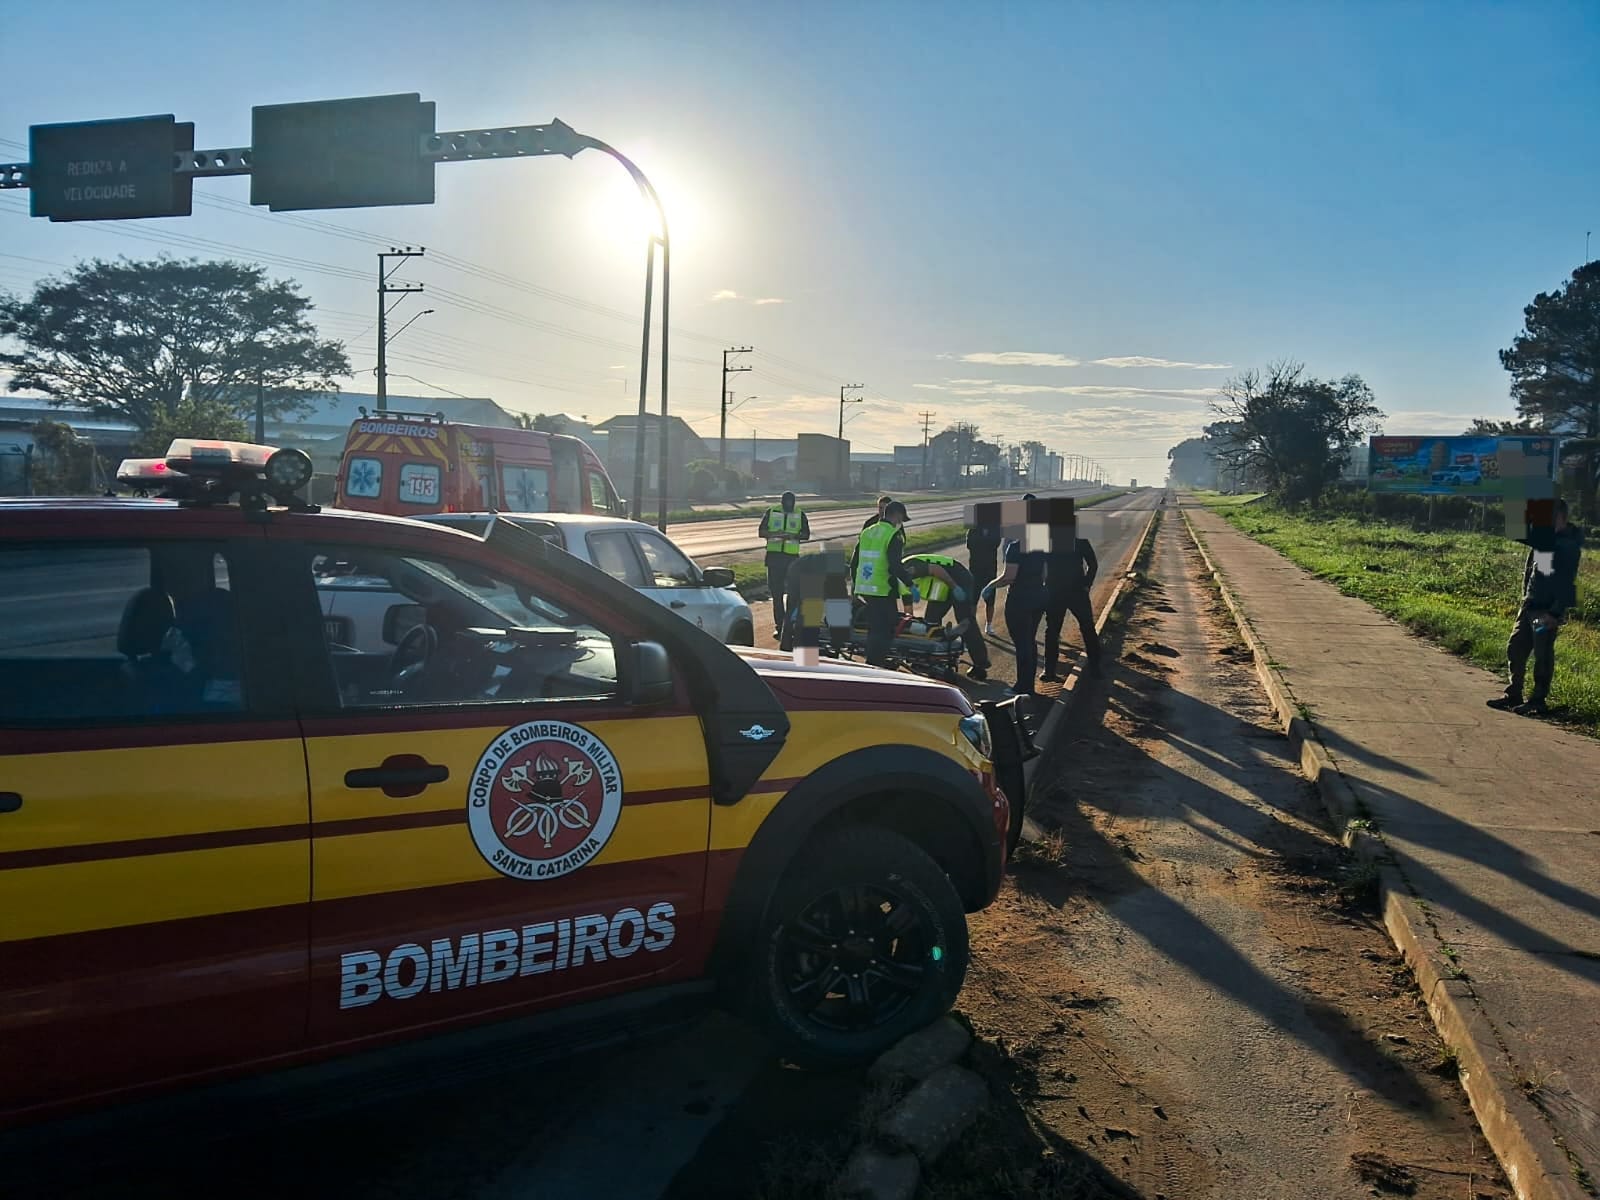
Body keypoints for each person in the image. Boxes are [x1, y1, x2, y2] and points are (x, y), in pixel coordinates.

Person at [1487, 497, 1584, 716]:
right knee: (1516, 648)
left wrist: (1556, 613)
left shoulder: (1567, 545)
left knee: (1542, 656)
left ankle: (1538, 701)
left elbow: (1569, 582)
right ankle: (1513, 694)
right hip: (1530, 605)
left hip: (1546, 610)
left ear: (1559, 516)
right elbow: (1529, 564)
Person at [986, 522, 1050, 697]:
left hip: (1020, 598)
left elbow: (1009, 577)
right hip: (1039, 595)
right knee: (1030, 640)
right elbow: (1045, 574)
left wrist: (990, 586)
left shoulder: (1015, 548)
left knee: (1021, 643)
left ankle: (1022, 687)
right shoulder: (1041, 546)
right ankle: (1028, 683)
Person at [904, 551, 991, 680]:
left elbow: (936, 569)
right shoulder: (898, 579)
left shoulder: (908, 567)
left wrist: (955, 587)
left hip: (958, 578)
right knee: (931, 621)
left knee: (965, 619)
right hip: (941, 585)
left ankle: (980, 663)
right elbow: (907, 605)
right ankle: (934, 658)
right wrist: (909, 624)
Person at [851, 500, 916, 666]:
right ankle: (875, 663)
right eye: (901, 519)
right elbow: (895, 565)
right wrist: (909, 583)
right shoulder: (893, 535)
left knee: (875, 626)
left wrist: (855, 586)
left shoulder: (867, 531)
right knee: (885, 628)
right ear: (897, 515)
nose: (900, 523)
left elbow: (855, 560)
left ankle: (875, 660)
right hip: (882, 588)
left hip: (865, 586)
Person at [1042, 534, 1101, 681]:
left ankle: (1049, 671)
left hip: (1062, 592)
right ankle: (1095, 669)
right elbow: (1092, 564)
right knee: (1085, 629)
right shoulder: (1079, 540)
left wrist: (1087, 584)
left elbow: (1093, 564)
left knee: (1054, 632)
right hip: (1071, 592)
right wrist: (1087, 583)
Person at [757, 491, 809, 635]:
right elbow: (761, 531)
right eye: (786, 503)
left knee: (793, 594)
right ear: (781, 502)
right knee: (777, 594)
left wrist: (793, 536)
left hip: (792, 559)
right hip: (774, 558)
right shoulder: (772, 512)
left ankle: (790, 624)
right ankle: (780, 626)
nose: (788, 505)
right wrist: (774, 534)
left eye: (791, 503)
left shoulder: (799, 514)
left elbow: (806, 534)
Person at [966, 516, 1002, 637]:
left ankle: (989, 624)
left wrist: (983, 540)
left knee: (990, 599)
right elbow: (969, 544)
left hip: (990, 569)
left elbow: (996, 543)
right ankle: (972, 625)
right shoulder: (973, 529)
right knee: (972, 600)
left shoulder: (995, 529)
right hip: (975, 569)